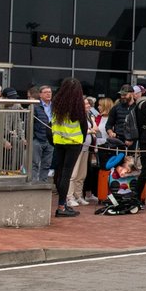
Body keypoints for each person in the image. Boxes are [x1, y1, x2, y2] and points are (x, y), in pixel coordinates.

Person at [51, 78, 88, 217]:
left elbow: (51, 124)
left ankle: (62, 204)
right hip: (74, 144)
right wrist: (81, 141)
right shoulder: (77, 106)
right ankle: (61, 207)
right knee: (66, 174)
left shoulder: (57, 104)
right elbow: (84, 127)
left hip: (59, 142)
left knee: (60, 174)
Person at [66, 96, 99, 207]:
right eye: (85, 104)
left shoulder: (89, 115)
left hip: (86, 148)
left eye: (88, 104)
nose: (88, 105)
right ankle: (69, 197)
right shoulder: (76, 116)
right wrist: (90, 131)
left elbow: (95, 128)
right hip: (77, 147)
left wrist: (92, 125)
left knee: (82, 174)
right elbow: (83, 130)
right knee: (74, 174)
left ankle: (78, 195)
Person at [32, 85, 54, 182]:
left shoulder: (55, 107)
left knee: (47, 164)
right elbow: (30, 123)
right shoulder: (35, 106)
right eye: (45, 92)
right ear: (40, 94)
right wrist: (32, 137)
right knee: (35, 163)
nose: (48, 94)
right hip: (38, 138)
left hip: (51, 139)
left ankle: (43, 183)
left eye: (49, 92)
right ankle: (33, 183)